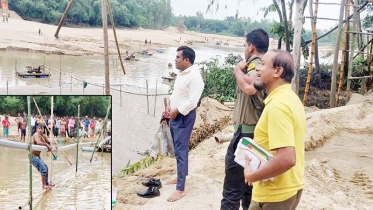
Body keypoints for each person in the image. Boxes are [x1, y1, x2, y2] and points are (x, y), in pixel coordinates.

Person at [244, 49, 306, 210]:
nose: (257, 68)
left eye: (263, 64)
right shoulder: (290, 98)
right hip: (287, 189)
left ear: (278, 71)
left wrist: (252, 175)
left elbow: (287, 158)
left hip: (274, 195)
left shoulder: (278, 106)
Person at [221, 28, 269, 210]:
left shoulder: (255, 66)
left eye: (244, 45)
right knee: (249, 189)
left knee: (232, 192)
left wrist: (236, 71)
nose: (244, 49)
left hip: (246, 138)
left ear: (251, 47)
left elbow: (249, 87)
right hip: (254, 136)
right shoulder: (262, 65)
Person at [165, 46, 204, 202]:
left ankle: (180, 189)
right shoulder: (182, 74)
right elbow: (178, 94)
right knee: (177, 148)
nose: (175, 60)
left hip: (183, 117)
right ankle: (181, 176)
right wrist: (169, 104)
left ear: (187, 60)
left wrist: (176, 111)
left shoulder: (195, 77)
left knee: (181, 151)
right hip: (174, 115)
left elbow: (192, 102)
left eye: (178, 57)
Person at [32, 124, 54, 189]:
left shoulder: (44, 136)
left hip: (38, 156)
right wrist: (47, 145)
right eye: (39, 128)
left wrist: (50, 145)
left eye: (42, 129)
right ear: (37, 129)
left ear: (44, 129)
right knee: (43, 170)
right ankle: (43, 185)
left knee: (46, 167)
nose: (41, 130)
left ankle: (46, 184)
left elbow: (49, 142)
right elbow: (38, 142)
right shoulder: (36, 135)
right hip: (33, 156)